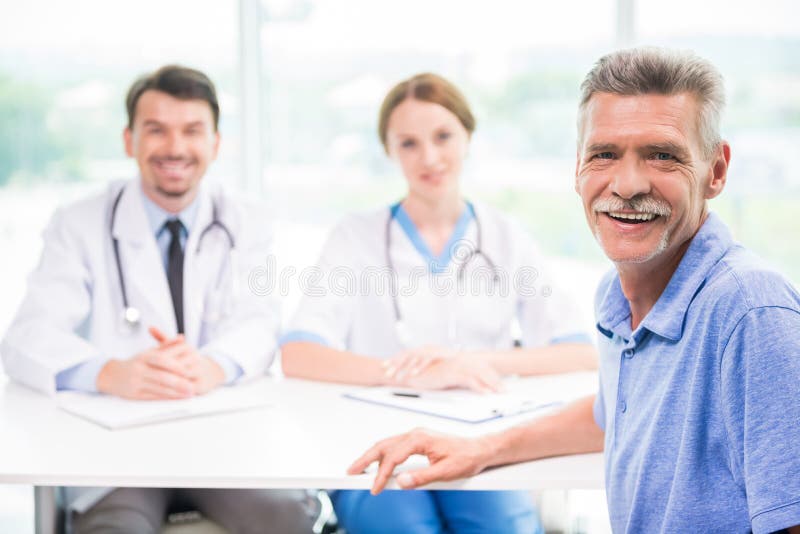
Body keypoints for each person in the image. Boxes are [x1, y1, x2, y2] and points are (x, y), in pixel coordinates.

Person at [347, 48, 800, 533]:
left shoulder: (750, 314)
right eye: (604, 154)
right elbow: (611, 414)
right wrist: (480, 447)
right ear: (577, 168)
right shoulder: (619, 297)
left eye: (662, 155)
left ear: (716, 170)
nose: (626, 185)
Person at [0, 65, 318, 533]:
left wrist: (211, 365)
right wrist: (112, 373)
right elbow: (29, 336)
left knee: (285, 517)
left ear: (215, 142)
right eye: (156, 130)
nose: (175, 148)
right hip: (118, 449)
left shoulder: (246, 219)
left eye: (192, 130)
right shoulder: (79, 222)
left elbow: (259, 321)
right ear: (129, 140)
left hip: (223, 440)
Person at [281, 73, 597, 533]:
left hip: (477, 442)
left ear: (468, 136)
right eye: (408, 143)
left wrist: (463, 361)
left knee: (502, 527)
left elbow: (579, 352)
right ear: (389, 150)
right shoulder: (355, 237)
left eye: (443, 136)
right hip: (371, 440)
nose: (428, 157)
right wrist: (416, 374)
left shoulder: (505, 236)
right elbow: (297, 355)